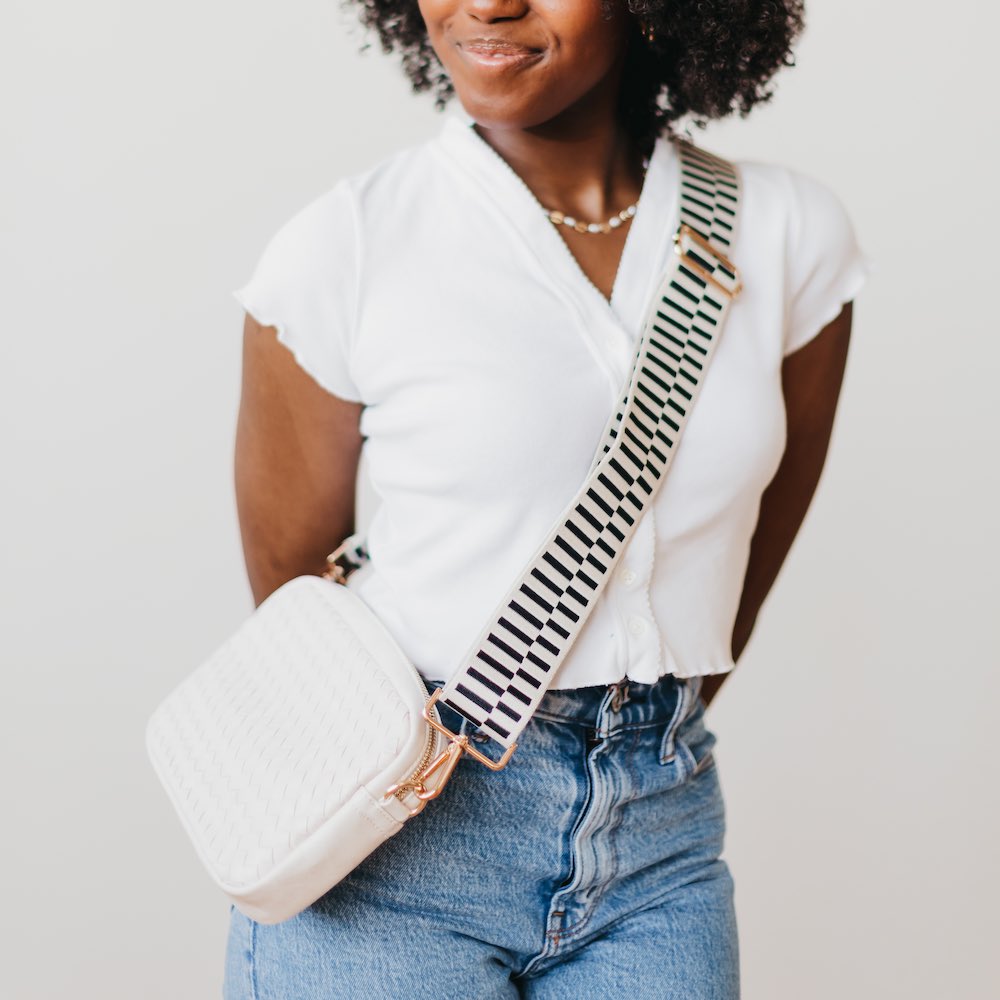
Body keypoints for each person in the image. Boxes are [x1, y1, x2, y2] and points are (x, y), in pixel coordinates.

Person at [223, 0, 870, 995]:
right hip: (394, 843)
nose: (486, 4)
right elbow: (292, 583)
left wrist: (634, 712)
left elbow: (754, 547)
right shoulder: (343, 247)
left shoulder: (788, 237)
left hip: (659, 849)